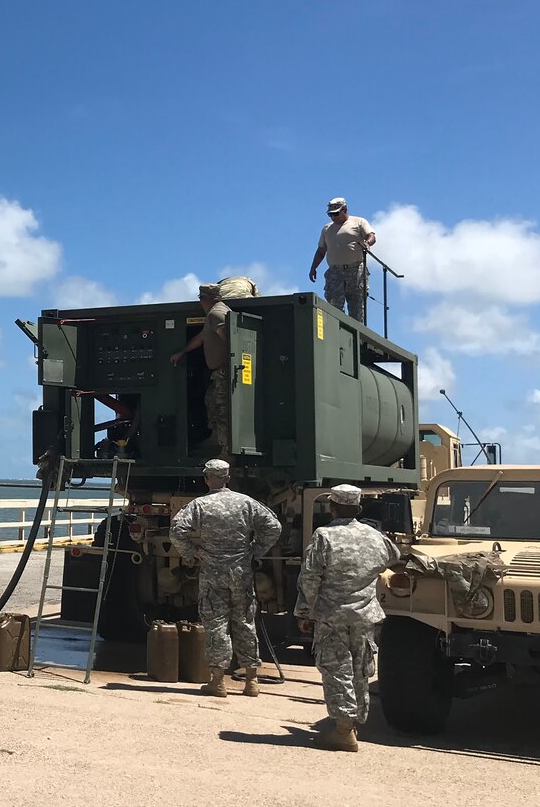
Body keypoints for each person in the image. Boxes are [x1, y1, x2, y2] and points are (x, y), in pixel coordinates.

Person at [294, 484, 401, 752]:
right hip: (365, 615)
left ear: (332, 507)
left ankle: (342, 731)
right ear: (359, 508)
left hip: (332, 615)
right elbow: (394, 558)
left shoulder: (324, 536)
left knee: (336, 669)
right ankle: (354, 725)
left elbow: (310, 577)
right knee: (360, 670)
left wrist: (304, 612)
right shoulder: (374, 536)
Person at [170, 458, 283, 698]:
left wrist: (192, 553)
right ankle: (251, 681)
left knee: (216, 625)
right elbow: (273, 526)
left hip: (213, 571)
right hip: (241, 570)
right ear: (228, 479)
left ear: (207, 479)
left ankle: (218, 681)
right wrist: (254, 550)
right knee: (244, 621)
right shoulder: (246, 503)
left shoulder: (199, 505)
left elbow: (177, 531)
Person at [170, 283, 230, 456]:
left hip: (224, 371)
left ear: (204, 299)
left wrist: (230, 359)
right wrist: (182, 352)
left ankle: (226, 451)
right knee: (211, 401)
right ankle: (215, 440)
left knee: (222, 411)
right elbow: (201, 338)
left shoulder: (216, 314)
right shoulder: (213, 314)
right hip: (217, 373)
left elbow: (227, 334)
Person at [308, 197, 376, 323]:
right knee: (334, 308)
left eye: (336, 214)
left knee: (357, 309)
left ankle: (357, 338)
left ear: (344, 210)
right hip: (335, 272)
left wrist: (367, 243)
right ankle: (336, 336)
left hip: (356, 270)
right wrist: (313, 268)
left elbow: (371, 236)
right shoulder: (327, 229)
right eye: (331, 215)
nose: (333, 218)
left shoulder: (358, 222)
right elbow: (321, 251)